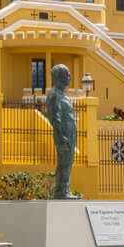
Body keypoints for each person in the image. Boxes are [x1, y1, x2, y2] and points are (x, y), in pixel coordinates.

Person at [46, 64, 79, 199]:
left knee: (68, 162)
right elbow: (54, 116)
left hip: (69, 132)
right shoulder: (54, 94)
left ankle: (65, 189)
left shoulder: (62, 94)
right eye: (67, 74)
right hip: (63, 133)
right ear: (59, 77)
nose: (69, 77)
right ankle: (61, 191)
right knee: (64, 162)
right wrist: (60, 136)